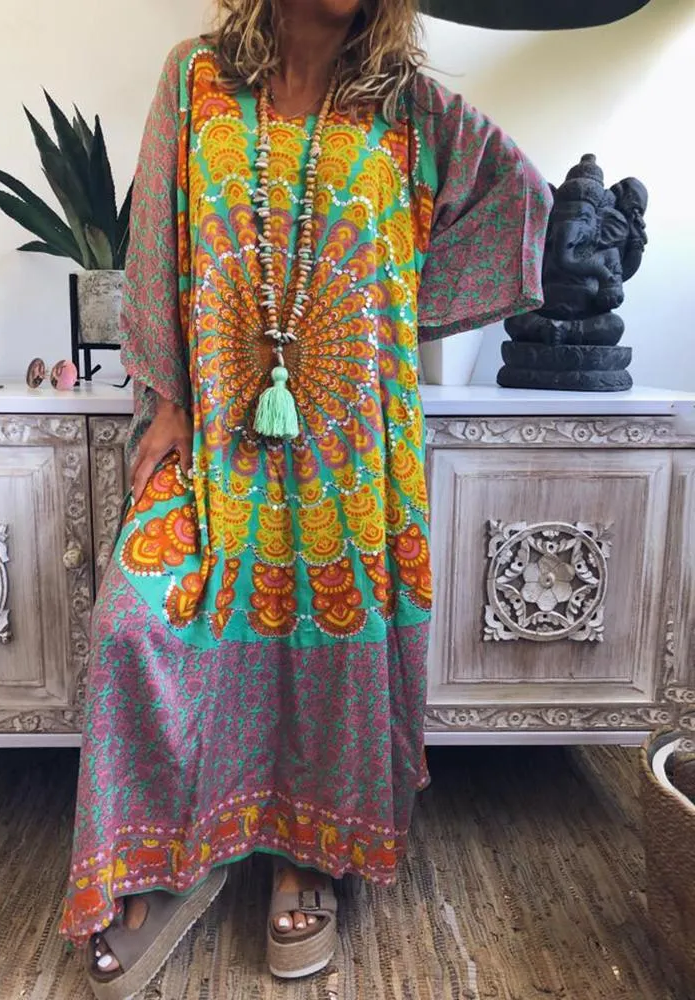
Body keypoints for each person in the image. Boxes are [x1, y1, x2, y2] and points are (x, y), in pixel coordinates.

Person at [59, 0, 552, 996]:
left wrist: (391, 307)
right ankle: (159, 850)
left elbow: (522, 197)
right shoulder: (195, 80)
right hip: (220, 438)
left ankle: (306, 854)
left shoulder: (411, 110)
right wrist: (169, 402)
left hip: (352, 453)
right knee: (133, 623)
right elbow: (154, 240)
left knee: (330, 646)